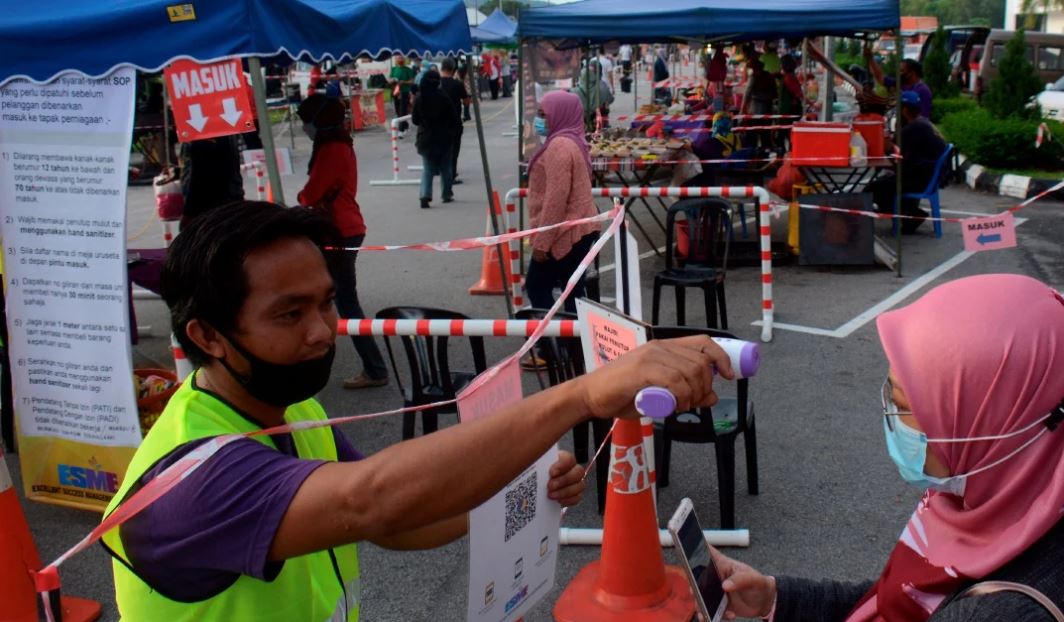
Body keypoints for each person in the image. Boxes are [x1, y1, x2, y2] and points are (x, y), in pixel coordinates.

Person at [102, 201, 735, 620]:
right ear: (208, 337)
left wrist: (514, 485)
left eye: (325, 303)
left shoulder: (281, 410)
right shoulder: (188, 479)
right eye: (289, 315)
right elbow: (367, 500)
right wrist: (581, 395)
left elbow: (393, 523)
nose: (324, 332)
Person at [711, 273, 1064, 622]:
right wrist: (774, 597)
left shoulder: (1003, 613)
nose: (890, 418)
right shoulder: (1034, 513)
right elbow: (909, 601)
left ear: (1000, 428)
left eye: (906, 406)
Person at [295, 95, 389, 390]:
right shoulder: (339, 143)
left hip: (338, 231)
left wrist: (302, 198)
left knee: (345, 302)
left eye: (306, 120)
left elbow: (311, 194)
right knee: (336, 298)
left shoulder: (331, 148)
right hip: (341, 228)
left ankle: (375, 369)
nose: (305, 127)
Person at [525, 91, 599, 313]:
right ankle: (575, 343)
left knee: (537, 286)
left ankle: (555, 343)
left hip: (566, 233)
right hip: (579, 228)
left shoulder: (559, 146)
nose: (539, 119)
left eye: (543, 114)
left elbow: (556, 200)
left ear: (559, 114)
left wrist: (542, 242)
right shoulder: (572, 140)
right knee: (573, 292)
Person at [867, 91, 947, 234]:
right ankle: (911, 212)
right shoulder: (923, 123)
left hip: (921, 179)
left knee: (874, 189)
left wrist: (884, 140)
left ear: (904, 110)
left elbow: (895, 154)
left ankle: (910, 216)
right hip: (929, 176)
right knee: (885, 181)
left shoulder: (912, 129)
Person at [412, 70, 460, 209]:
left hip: (425, 138)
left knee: (427, 168)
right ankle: (446, 194)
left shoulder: (420, 98)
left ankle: (425, 195)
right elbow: (454, 118)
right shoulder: (443, 97)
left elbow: (415, 120)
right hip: (444, 138)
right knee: (446, 167)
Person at [179, 135, 244, 228]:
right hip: (232, 200)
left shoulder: (197, 133)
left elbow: (197, 175)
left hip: (208, 210)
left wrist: (188, 213)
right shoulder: (227, 129)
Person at [439, 58, 469, 186]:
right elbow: (466, 101)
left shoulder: (436, 84)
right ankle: (451, 175)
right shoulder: (457, 84)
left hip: (438, 121)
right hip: (454, 121)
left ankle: (442, 172)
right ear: (453, 69)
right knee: (454, 150)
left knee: (441, 148)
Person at [388, 54, 416, 137]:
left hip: (404, 92)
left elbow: (412, 81)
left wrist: (404, 82)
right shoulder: (393, 69)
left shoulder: (408, 69)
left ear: (404, 59)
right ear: (395, 59)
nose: (399, 59)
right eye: (398, 58)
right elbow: (389, 80)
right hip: (395, 92)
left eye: (401, 58)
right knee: (397, 110)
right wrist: (392, 80)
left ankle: (401, 130)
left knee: (402, 111)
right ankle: (405, 125)